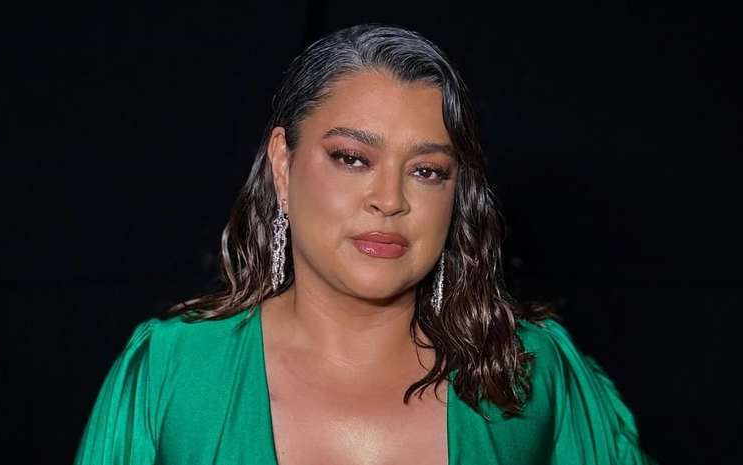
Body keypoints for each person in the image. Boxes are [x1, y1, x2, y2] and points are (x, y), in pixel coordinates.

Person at [73, 23, 659, 465]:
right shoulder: (172, 372)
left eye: (427, 170)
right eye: (352, 158)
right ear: (283, 165)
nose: (390, 199)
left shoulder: (531, 372)